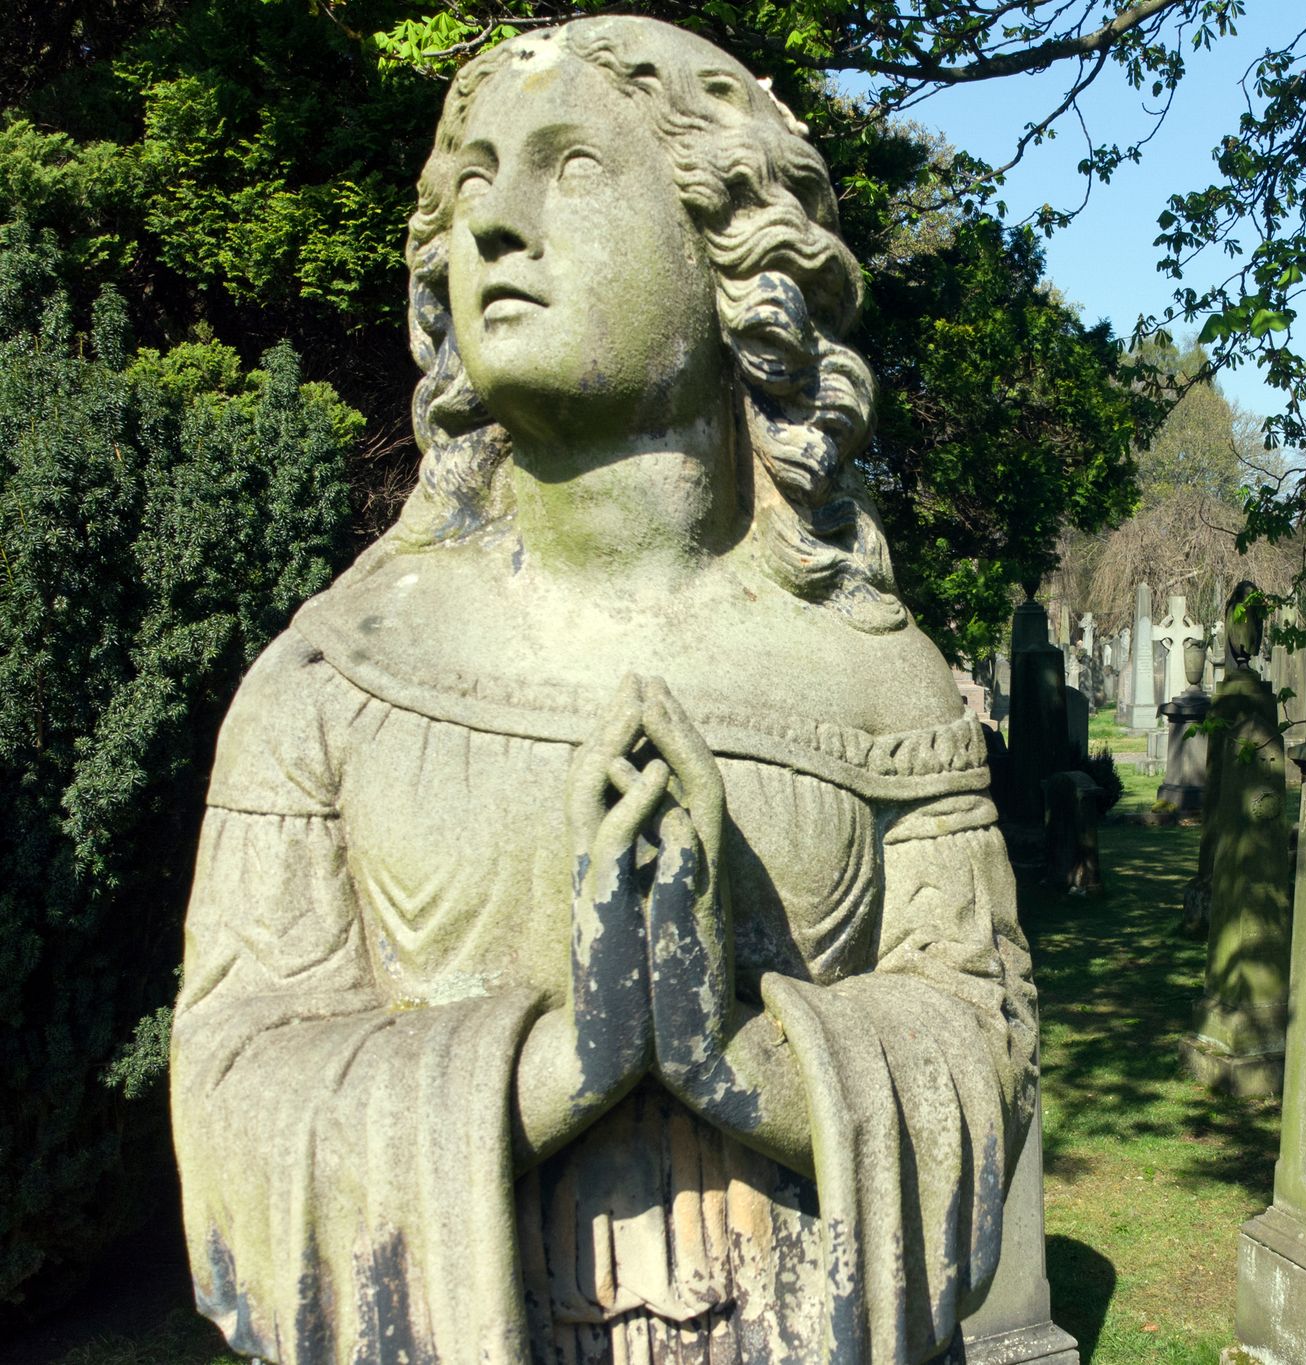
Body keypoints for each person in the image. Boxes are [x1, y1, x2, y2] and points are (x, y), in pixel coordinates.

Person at [170, 18, 1036, 1364]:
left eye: (568, 169)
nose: (494, 228)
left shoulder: (882, 682)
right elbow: (227, 1083)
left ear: (730, 253)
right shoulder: (331, 678)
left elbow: (989, 1039)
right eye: (469, 192)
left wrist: (745, 1061)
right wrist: (550, 1070)